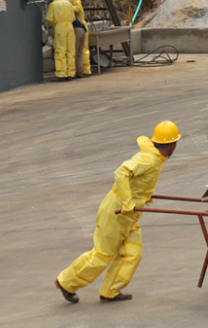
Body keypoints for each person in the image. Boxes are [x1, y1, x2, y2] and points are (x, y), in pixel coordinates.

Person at [55, 121, 181, 304]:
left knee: (133, 253)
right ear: (171, 146)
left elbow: (137, 182)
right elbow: (121, 173)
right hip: (116, 212)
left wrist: (142, 196)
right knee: (102, 255)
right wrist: (128, 201)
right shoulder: (149, 160)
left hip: (129, 216)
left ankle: (110, 291)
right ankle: (66, 282)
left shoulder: (155, 159)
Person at [46, 0, 76, 81]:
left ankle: (61, 74)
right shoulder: (68, 3)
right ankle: (70, 74)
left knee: (60, 51)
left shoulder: (52, 5)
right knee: (70, 51)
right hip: (70, 27)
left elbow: (50, 20)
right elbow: (73, 18)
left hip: (59, 28)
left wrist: (53, 25)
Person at [61, 0, 91, 79]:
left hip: (79, 27)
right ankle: (80, 71)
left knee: (82, 50)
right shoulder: (65, 2)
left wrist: (66, 6)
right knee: (78, 51)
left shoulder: (75, 0)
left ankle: (85, 70)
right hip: (76, 28)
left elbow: (77, 9)